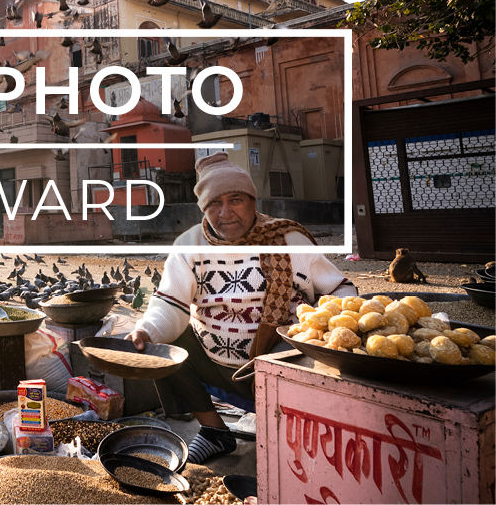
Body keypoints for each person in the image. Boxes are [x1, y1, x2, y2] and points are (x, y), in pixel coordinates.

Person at [125, 152, 356, 465]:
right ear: (203, 209)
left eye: (236, 200)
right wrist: (144, 331)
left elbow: (340, 289)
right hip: (215, 363)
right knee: (164, 343)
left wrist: (326, 319)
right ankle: (213, 430)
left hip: (280, 364)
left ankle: (293, 438)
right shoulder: (188, 246)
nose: (226, 213)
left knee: (300, 345)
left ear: (252, 201)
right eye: (213, 204)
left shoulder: (289, 239)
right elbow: (169, 304)